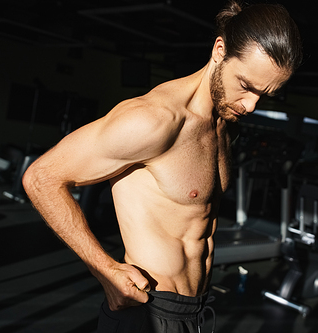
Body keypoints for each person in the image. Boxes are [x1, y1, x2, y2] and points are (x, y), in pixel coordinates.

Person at [22, 1, 302, 332]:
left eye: (265, 95)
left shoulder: (227, 124)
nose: (252, 105)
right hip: (148, 312)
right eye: (246, 86)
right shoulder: (153, 121)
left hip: (194, 311)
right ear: (219, 50)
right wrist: (105, 270)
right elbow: (41, 178)